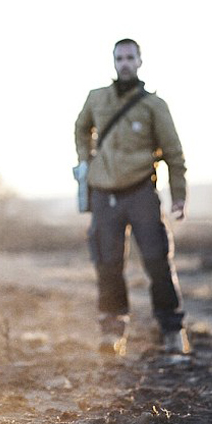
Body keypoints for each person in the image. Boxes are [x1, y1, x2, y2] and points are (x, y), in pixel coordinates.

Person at [74, 38, 190, 356]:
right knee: (107, 264)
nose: (124, 63)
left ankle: (171, 332)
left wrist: (178, 196)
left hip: (141, 191)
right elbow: (80, 127)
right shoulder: (96, 99)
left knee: (156, 261)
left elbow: (174, 153)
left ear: (140, 61)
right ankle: (112, 332)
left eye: (130, 57)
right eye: (119, 58)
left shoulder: (154, 106)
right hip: (103, 195)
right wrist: (86, 160)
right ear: (113, 62)